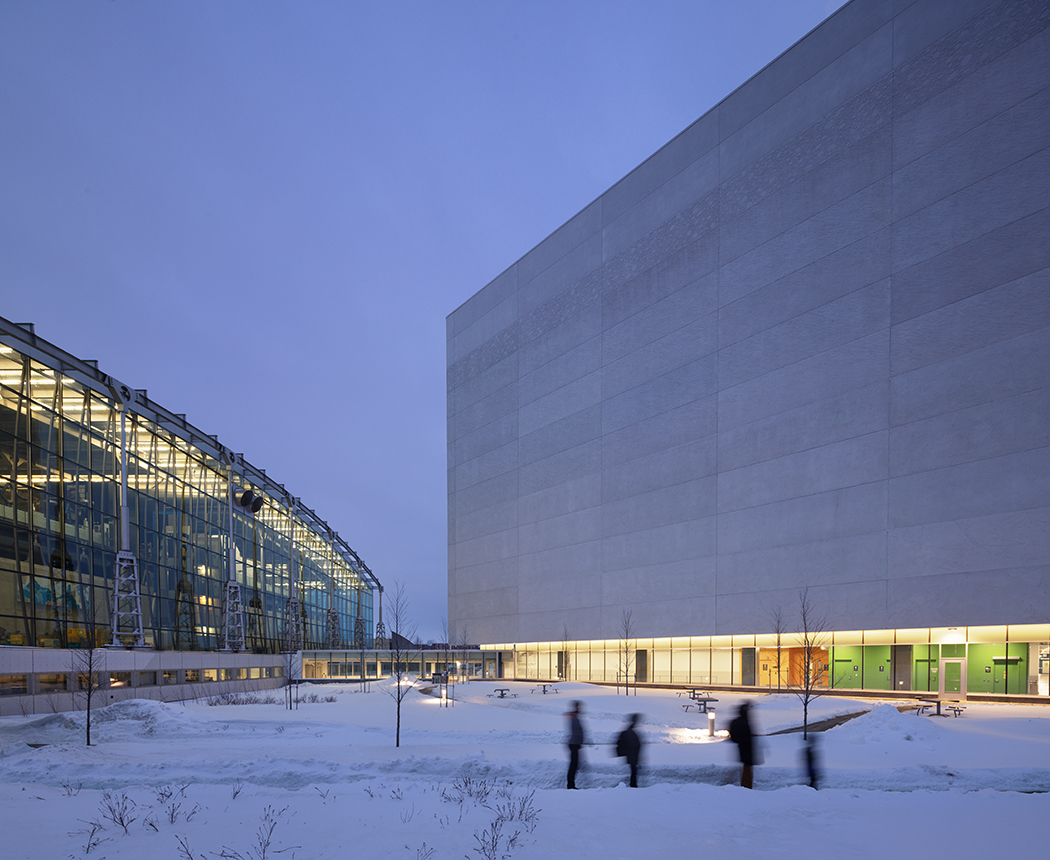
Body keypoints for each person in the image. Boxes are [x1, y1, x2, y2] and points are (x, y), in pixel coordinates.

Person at [728, 701, 758, 789]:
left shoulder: (742, 721)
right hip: (747, 751)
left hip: (744, 750)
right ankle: (746, 789)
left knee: (747, 770)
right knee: (747, 772)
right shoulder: (744, 722)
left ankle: (746, 787)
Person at [615, 713, 643, 787]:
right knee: (634, 771)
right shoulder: (631, 731)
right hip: (632, 755)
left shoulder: (629, 729)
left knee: (634, 771)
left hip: (632, 755)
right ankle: (633, 785)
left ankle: (633, 784)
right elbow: (633, 745)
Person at [566, 700, 585, 789]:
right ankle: (570, 785)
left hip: (575, 743)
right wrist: (580, 741)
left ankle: (571, 784)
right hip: (574, 744)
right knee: (574, 765)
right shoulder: (574, 717)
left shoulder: (575, 716)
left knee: (575, 764)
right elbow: (577, 731)